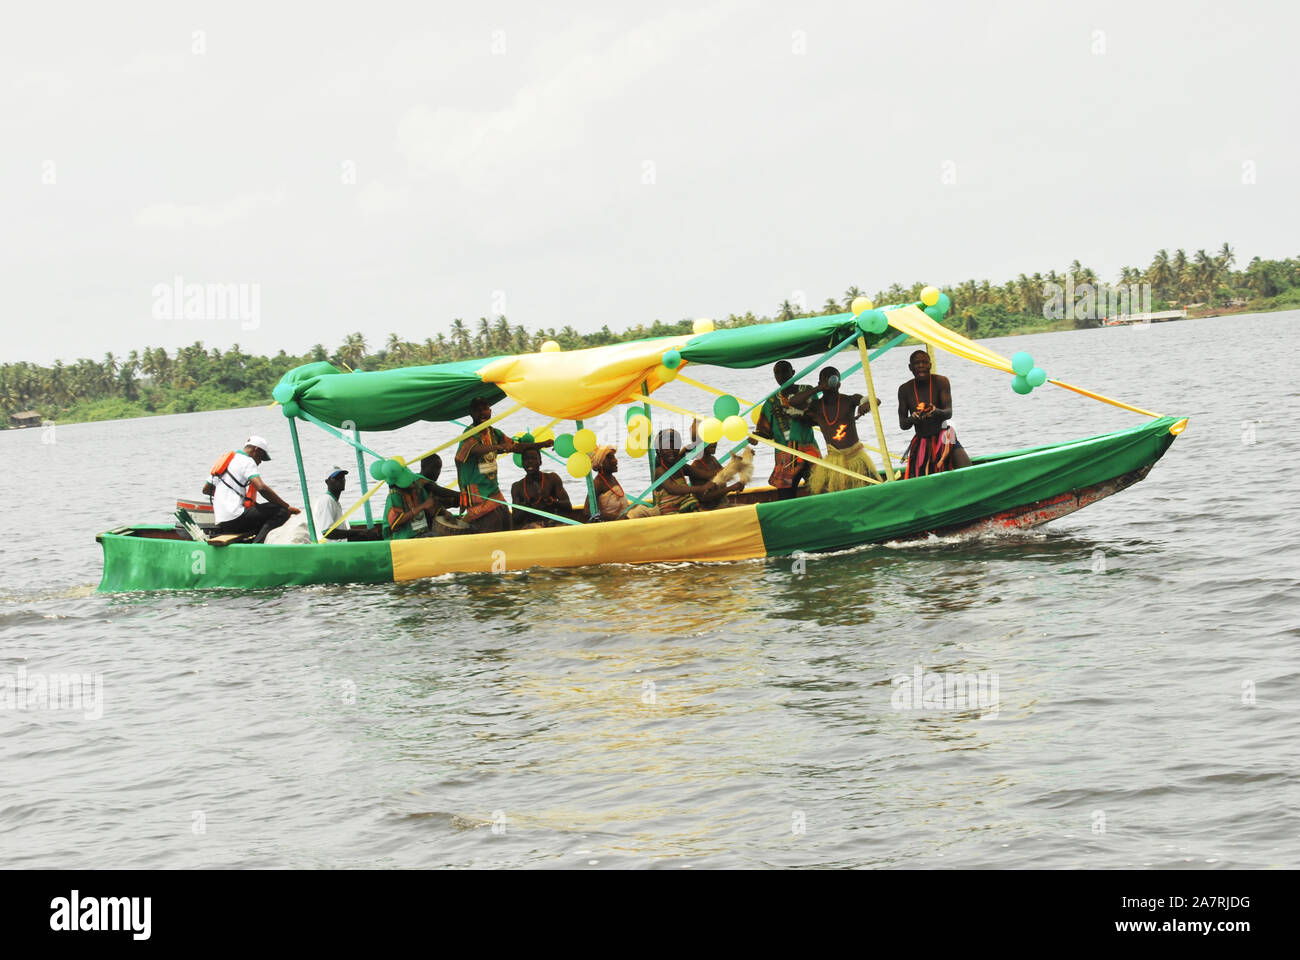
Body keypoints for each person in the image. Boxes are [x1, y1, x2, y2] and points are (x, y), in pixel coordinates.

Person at [455, 398, 554, 533]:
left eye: (485, 409)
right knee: (492, 525)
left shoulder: (494, 433)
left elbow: (516, 447)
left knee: (507, 521)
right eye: (478, 410)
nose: (482, 413)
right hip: (476, 492)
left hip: (493, 490)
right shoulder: (469, 434)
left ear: (490, 410)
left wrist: (541, 444)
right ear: (471, 413)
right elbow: (474, 449)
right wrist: (499, 446)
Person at [790, 368, 881, 493]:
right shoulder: (816, 406)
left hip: (856, 457)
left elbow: (874, 400)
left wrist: (866, 405)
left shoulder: (849, 400)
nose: (830, 381)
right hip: (833, 460)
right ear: (820, 383)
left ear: (839, 384)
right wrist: (818, 389)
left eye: (833, 378)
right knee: (827, 491)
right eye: (825, 379)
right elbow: (793, 402)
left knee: (872, 489)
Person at [208, 435, 300, 541]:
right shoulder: (248, 461)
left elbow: (206, 489)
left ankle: (252, 540)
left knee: (263, 511)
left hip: (222, 521)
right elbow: (262, 488)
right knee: (281, 511)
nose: (260, 461)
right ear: (256, 450)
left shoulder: (227, 460)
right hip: (235, 519)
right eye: (261, 457)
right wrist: (287, 507)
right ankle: (258, 544)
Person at [897, 350, 971, 478]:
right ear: (910, 367)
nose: (921, 366)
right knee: (922, 478)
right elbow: (903, 424)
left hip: (945, 436)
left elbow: (948, 413)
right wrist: (913, 419)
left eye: (924, 362)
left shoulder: (941, 382)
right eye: (917, 363)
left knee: (968, 470)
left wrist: (935, 411)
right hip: (921, 441)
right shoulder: (904, 389)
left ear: (930, 365)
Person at [755, 360, 821, 499]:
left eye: (785, 371)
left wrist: (789, 412)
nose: (781, 376)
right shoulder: (771, 402)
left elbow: (817, 420)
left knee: (820, 490)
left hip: (808, 452)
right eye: (777, 373)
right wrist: (756, 437)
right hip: (785, 458)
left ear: (793, 373)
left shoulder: (807, 391)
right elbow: (765, 432)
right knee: (785, 497)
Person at [687, 423, 745, 509]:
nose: (714, 443)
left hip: (723, 504)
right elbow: (704, 498)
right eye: (709, 440)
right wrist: (731, 488)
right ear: (699, 444)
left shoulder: (712, 460)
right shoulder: (696, 466)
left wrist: (739, 484)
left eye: (714, 439)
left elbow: (723, 476)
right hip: (710, 510)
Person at [513, 448, 573, 528]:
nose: (530, 461)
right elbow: (515, 519)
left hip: (553, 524)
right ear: (522, 463)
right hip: (532, 528)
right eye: (526, 459)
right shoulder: (517, 487)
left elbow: (568, 506)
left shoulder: (552, 478)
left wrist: (550, 501)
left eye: (533, 458)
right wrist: (528, 505)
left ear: (540, 461)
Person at [384, 464, 435, 539]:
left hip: (422, 532)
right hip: (402, 537)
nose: (414, 484)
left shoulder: (417, 489)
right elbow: (396, 521)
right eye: (410, 483)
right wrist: (422, 506)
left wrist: (441, 512)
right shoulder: (394, 496)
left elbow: (431, 506)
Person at [313, 467, 350, 539]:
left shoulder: (334, 501)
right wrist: (359, 532)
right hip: (333, 545)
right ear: (327, 482)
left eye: (342, 477)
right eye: (336, 478)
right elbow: (327, 532)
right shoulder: (326, 501)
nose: (340, 480)